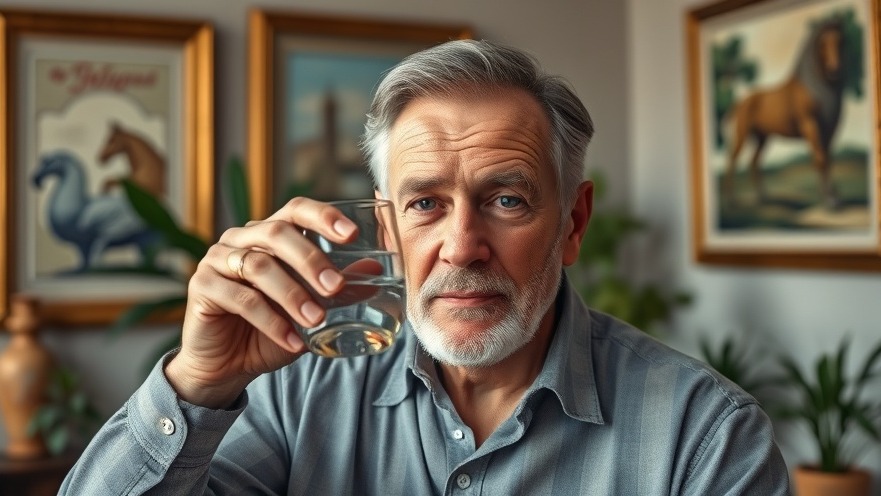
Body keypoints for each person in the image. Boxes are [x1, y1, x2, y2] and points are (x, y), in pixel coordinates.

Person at [60, 39, 790, 495]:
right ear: (385, 225)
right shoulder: (290, 396)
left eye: (506, 199)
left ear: (572, 223)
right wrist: (196, 385)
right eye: (425, 205)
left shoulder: (705, 439)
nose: (461, 245)